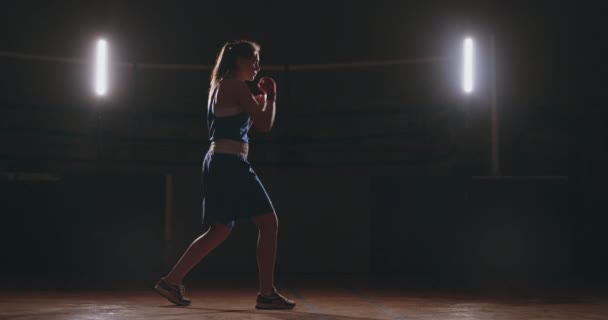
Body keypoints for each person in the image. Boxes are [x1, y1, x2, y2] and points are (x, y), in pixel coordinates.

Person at [154, 40, 295, 310]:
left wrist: (261, 101)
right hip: (230, 163)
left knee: (219, 230)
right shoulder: (235, 86)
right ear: (237, 61)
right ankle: (267, 294)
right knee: (268, 224)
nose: (257, 65)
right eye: (252, 59)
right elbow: (265, 124)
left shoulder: (222, 87)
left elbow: (247, 125)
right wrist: (273, 97)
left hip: (219, 161)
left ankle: (171, 281)